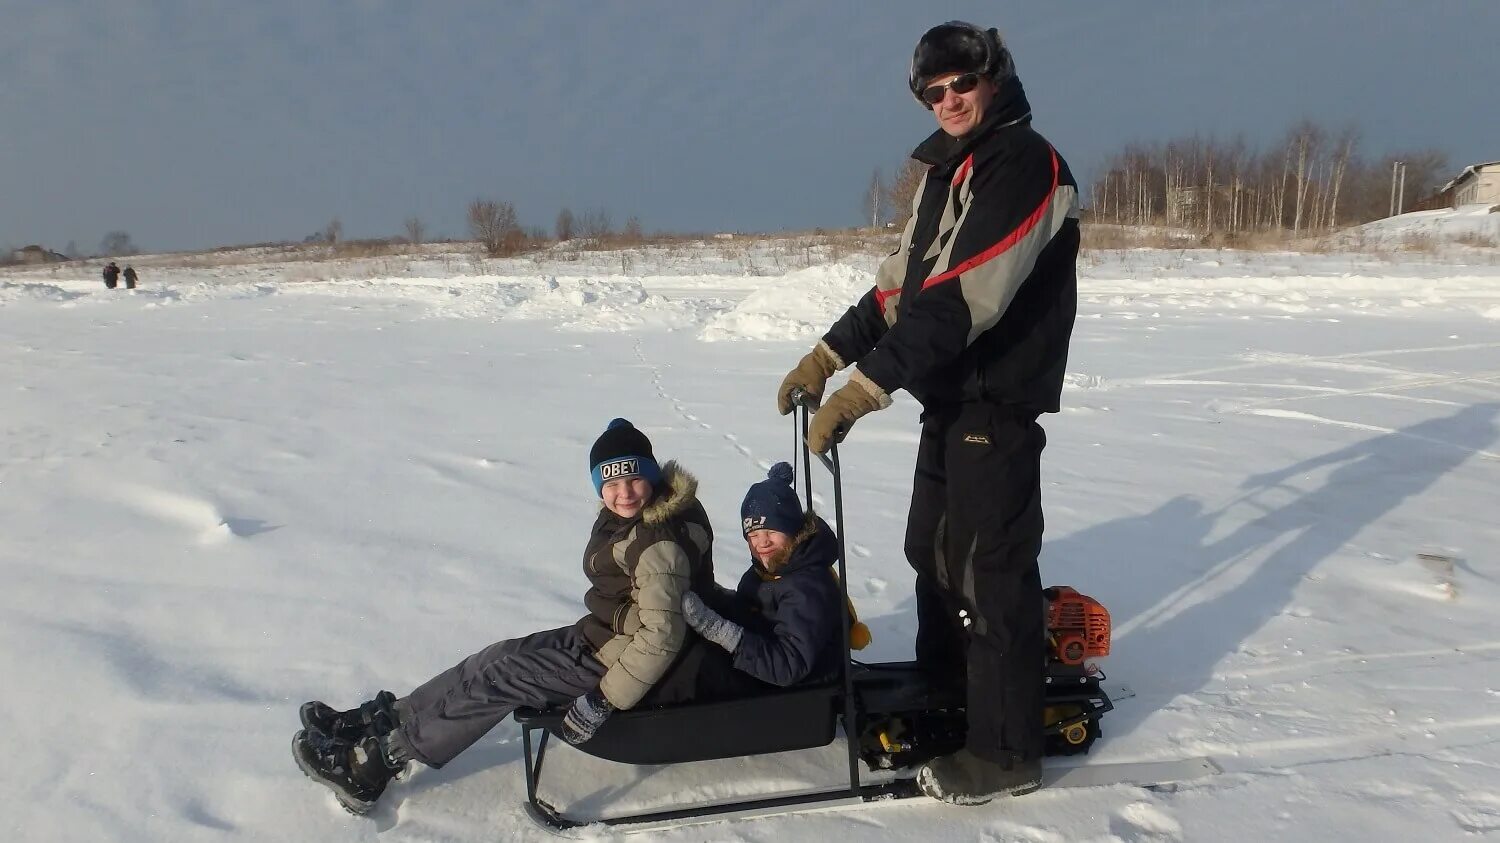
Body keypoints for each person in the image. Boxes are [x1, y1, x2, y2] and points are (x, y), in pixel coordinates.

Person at [775, 21, 1079, 804]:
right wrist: (825, 355)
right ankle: (953, 690)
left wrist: (863, 390)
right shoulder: (951, 171)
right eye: (933, 90)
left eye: (962, 84)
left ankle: (1006, 748)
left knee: (989, 571)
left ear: (994, 76)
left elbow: (960, 298)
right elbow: (898, 291)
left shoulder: (1023, 164)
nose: (948, 99)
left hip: (998, 399)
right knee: (931, 551)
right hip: (949, 400)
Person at [292, 419, 718, 814]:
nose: (623, 491)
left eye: (633, 478)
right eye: (610, 481)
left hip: (629, 663)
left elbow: (661, 637)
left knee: (502, 679)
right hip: (607, 634)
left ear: (653, 476)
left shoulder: (658, 543)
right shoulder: (634, 515)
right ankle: (388, 719)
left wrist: (603, 699)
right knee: (495, 657)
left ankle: (373, 765)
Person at [680, 462, 867, 688]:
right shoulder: (769, 569)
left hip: (803, 684)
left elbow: (789, 665)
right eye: (753, 534)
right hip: (770, 662)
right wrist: (715, 599)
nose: (762, 542)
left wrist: (718, 630)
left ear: (793, 530)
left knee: (701, 670)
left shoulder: (807, 587)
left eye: (771, 531)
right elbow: (748, 612)